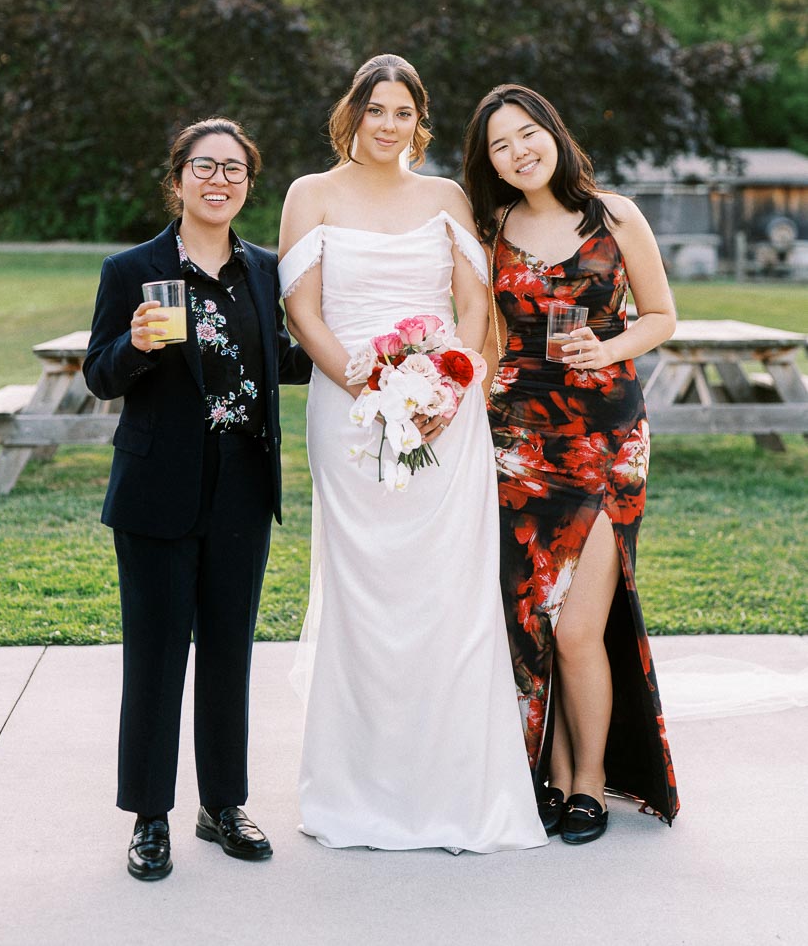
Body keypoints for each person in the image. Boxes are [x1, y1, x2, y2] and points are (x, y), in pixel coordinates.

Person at [277, 55, 546, 853]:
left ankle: (458, 790)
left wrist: (443, 393)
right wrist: (369, 388)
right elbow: (303, 309)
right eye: (375, 109)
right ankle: (358, 790)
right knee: (366, 596)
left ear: (418, 120)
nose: (387, 124)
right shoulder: (309, 194)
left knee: (447, 592)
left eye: (402, 111)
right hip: (351, 415)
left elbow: (473, 302)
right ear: (351, 113)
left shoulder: (446, 198)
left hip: (445, 412)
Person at [83, 117, 312, 881]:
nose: (221, 180)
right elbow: (99, 373)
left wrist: (375, 343)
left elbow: (282, 357)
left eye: (236, 169)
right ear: (176, 177)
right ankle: (150, 818)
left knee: (228, 653)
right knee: (154, 659)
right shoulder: (131, 269)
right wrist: (136, 347)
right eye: (205, 166)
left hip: (243, 487)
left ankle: (224, 805)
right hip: (156, 491)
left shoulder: (266, 270)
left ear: (249, 183)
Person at [462, 83, 680, 844]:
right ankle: (547, 778)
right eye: (500, 144)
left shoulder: (614, 215)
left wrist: (609, 345)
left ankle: (588, 784)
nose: (519, 151)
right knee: (532, 622)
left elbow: (661, 315)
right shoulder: (489, 228)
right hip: (517, 442)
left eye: (528, 134)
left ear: (553, 132)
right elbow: (482, 338)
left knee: (581, 625)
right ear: (488, 161)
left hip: (606, 441)